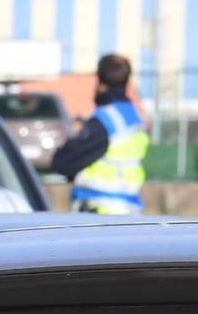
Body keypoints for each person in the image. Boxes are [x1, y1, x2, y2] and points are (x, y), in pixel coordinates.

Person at [52, 54, 152, 214]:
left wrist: (71, 138)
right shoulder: (135, 118)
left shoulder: (104, 120)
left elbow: (63, 163)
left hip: (98, 210)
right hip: (130, 209)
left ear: (99, 81)